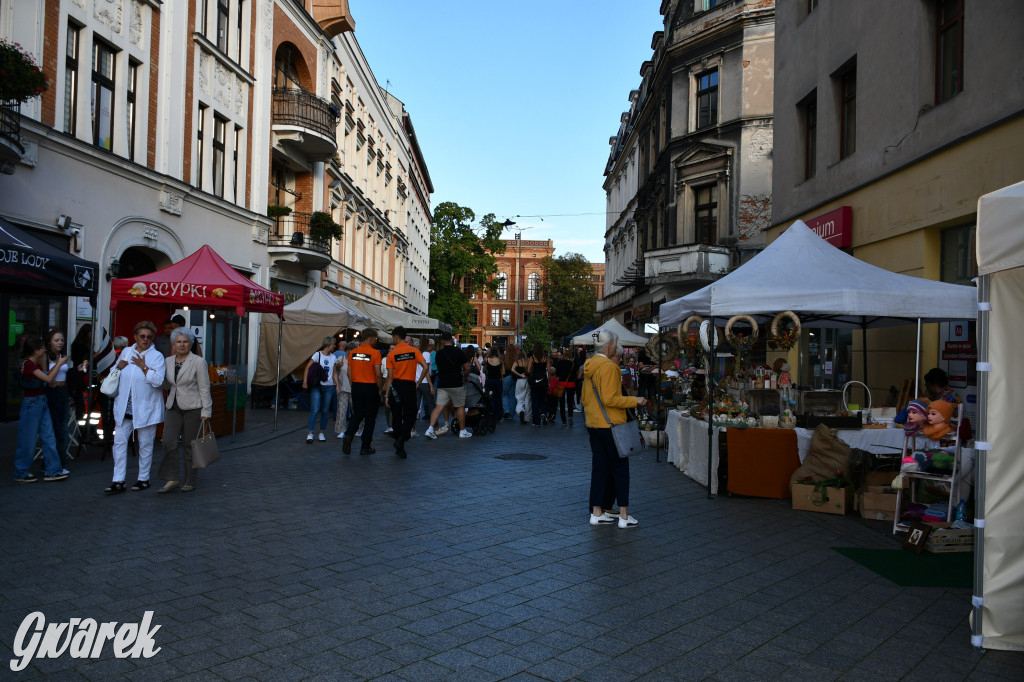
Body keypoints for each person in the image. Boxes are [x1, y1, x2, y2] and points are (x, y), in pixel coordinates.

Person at [582, 330, 647, 528]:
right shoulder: (609, 367)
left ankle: (596, 513)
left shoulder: (589, 365)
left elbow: (585, 399)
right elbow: (610, 399)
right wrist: (635, 400)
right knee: (620, 469)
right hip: (611, 424)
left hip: (593, 423)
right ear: (610, 346)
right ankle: (624, 517)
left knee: (599, 469)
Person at [106, 321, 166, 494]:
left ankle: (143, 478)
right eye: (142, 336)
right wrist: (118, 366)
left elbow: (159, 382)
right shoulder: (126, 352)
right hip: (125, 406)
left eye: (148, 337)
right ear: (135, 337)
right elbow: (114, 374)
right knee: (119, 443)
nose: (145, 340)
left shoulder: (156, 357)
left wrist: (144, 367)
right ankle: (118, 480)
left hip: (146, 408)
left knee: (145, 444)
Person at [157, 327, 212, 493]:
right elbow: (166, 384)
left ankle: (190, 480)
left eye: (185, 342)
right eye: (179, 342)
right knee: (168, 442)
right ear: (173, 344)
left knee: (190, 445)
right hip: (173, 406)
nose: (182, 345)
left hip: (193, 408)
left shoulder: (198, 362)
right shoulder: (167, 361)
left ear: (191, 343)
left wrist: (206, 412)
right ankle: (172, 478)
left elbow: (204, 388)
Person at [13, 338, 70, 483]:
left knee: (48, 436)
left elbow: (47, 377)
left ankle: (53, 470)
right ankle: (21, 471)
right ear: (35, 350)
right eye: (42, 348)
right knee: (28, 439)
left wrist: (51, 362)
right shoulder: (29, 365)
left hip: (40, 401)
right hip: (33, 403)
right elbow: (48, 377)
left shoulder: (34, 363)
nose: (44, 350)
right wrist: (59, 363)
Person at [383, 326, 432, 458]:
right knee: (410, 414)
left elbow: (390, 376)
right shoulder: (413, 351)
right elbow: (425, 366)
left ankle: (400, 444)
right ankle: (402, 440)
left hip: (396, 387)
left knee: (397, 415)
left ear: (395, 337)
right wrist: (418, 381)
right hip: (409, 385)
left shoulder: (391, 354)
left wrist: (387, 395)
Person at [424, 331, 472, 439]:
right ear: (451, 340)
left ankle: (430, 429)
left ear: (441, 341)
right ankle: (462, 431)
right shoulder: (458, 352)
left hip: (442, 383)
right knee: (460, 406)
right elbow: (467, 367)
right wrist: (465, 376)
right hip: (456, 383)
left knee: (439, 406)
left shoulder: (439, 353)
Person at [343, 329, 383, 455]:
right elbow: (377, 374)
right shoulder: (375, 353)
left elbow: (349, 372)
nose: (376, 341)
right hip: (370, 387)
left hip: (356, 386)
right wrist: (380, 388)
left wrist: (353, 384)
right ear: (371, 338)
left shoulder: (353, 352)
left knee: (357, 414)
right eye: (375, 339)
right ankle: (365, 446)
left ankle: (349, 435)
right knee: (370, 418)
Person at [44, 329, 72, 467]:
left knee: (63, 428)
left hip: (63, 391)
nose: (60, 342)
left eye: (62, 340)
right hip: (52, 392)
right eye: (56, 340)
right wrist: (60, 363)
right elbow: (46, 376)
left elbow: (64, 374)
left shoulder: (62, 355)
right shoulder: (46, 357)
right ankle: (53, 463)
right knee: (55, 428)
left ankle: (60, 462)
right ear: (50, 342)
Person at [303, 336, 337, 443]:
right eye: (333, 344)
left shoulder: (333, 357)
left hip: (330, 386)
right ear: (328, 345)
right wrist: (304, 382)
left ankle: (322, 432)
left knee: (325, 410)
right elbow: (307, 367)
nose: (334, 346)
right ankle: (310, 433)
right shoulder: (317, 355)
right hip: (317, 385)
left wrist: (337, 386)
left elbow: (335, 373)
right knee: (315, 409)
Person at [526, 343, 550, 426]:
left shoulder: (532, 357)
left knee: (535, 400)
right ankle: (543, 412)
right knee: (543, 399)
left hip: (535, 380)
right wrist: (549, 380)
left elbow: (528, 370)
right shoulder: (546, 357)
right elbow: (549, 370)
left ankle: (536, 421)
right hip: (543, 379)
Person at [333, 341, 352, 439]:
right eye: (351, 350)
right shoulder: (341, 359)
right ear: (347, 350)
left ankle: (359, 428)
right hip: (343, 387)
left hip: (354, 389)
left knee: (356, 410)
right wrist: (337, 385)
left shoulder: (357, 360)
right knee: (341, 410)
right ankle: (341, 430)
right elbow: (334, 372)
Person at [554, 348, 577, 426]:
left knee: (562, 402)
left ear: (564, 356)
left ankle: (563, 420)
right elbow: (574, 375)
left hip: (561, 383)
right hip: (570, 384)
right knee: (570, 402)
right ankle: (570, 416)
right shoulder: (573, 364)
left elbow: (557, 373)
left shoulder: (560, 362)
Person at [483, 346, 504, 424]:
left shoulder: (487, 359)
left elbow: (482, 364)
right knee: (498, 398)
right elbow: (503, 372)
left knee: (489, 397)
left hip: (489, 380)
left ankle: (490, 413)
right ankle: (498, 416)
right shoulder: (500, 360)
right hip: (497, 381)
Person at [512, 349, 531, 424]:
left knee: (519, 398)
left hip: (520, 381)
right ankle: (527, 417)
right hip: (527, 380)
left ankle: (520, 411)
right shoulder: (528, 361)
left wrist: (519, 375)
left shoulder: (517, 362)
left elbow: (512, 369)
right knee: (527, 399)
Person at [501, 344, 519, 418]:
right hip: (515, 377)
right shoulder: (516, 358)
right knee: (513, 395)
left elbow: (503, 370)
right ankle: (512, 413)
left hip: (506, 377)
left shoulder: (505, 358)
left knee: (505, 394)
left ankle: (506, 410)